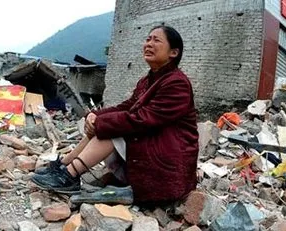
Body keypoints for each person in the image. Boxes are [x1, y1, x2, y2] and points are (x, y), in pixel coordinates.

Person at [31, 25, 199, 204]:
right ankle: (65, 165)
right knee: (105, 124)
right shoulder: (149, 80)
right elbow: (127, 106)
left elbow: (143, 119)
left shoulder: (176, 84)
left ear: (173, 52)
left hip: (170, 163)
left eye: (156, 40)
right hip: (153, 147)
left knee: (113, 129)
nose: (148, 44)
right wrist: (95, 115)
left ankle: (69, 176)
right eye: (148, 39)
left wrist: (102, 123)